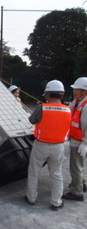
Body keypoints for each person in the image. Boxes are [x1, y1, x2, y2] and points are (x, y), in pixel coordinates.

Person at [25, 80, 71, 211]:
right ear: (61, 95)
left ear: (48, 94)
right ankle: (56, 202)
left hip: (41, 145)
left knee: (34, 172)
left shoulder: (42, 107)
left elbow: (31, 120)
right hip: (59, 146)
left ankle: (31, 198)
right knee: (56, 174)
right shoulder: (68, 110)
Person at [62, 77, 87, 201]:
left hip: (80, 141)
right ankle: (81, 184)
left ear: (84, 91)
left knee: (75, 166)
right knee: (79, 165)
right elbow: (69, 112)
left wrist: (85, 143)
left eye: (76, 89)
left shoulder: (86, 105)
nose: (73, 91)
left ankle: (77, 192)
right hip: (77, 139)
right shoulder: (79, 101)